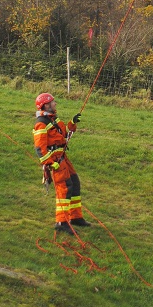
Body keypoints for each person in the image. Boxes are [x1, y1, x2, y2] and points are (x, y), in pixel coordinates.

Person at [32, 92, 90, 233]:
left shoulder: (53, 119)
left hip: (62, 156)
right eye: (52, 102)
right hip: (56, 160)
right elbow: (40, 147)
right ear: (46, 105)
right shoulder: (41, 123)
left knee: (75, 183)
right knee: (64, 188)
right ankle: (61, 222)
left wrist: (72, 122)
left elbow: (64, 134)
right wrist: (50, 163)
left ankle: (75, 217)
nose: (55, 103)